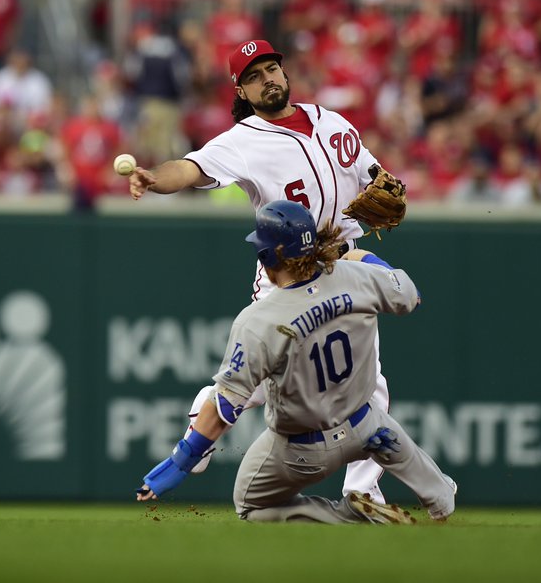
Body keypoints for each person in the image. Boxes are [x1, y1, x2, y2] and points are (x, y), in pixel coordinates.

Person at [127, 38, 446, 510]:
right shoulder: (242, 140)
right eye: (253, 76)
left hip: (345, 266)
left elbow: (374, 174)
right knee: (251, 383)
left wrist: (383, 183)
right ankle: (199, 436)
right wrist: (156, 178)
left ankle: (362, 490)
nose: (267, 79)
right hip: (287, 276)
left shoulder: (331, 121)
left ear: (284, 71)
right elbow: (191, 168)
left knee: (371, 384)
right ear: (242, 90)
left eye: (271, 68)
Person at [135, 201, 456, 523]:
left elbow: (225, 405)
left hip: (303, 451)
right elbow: (410, 296)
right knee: (393, 443)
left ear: (268, 257)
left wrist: (184, 458)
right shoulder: (357, 277)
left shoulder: (259, 320)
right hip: (367, 425)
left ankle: (348, 516)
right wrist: (365, 259)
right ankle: (441, 497)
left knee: (250, 505)